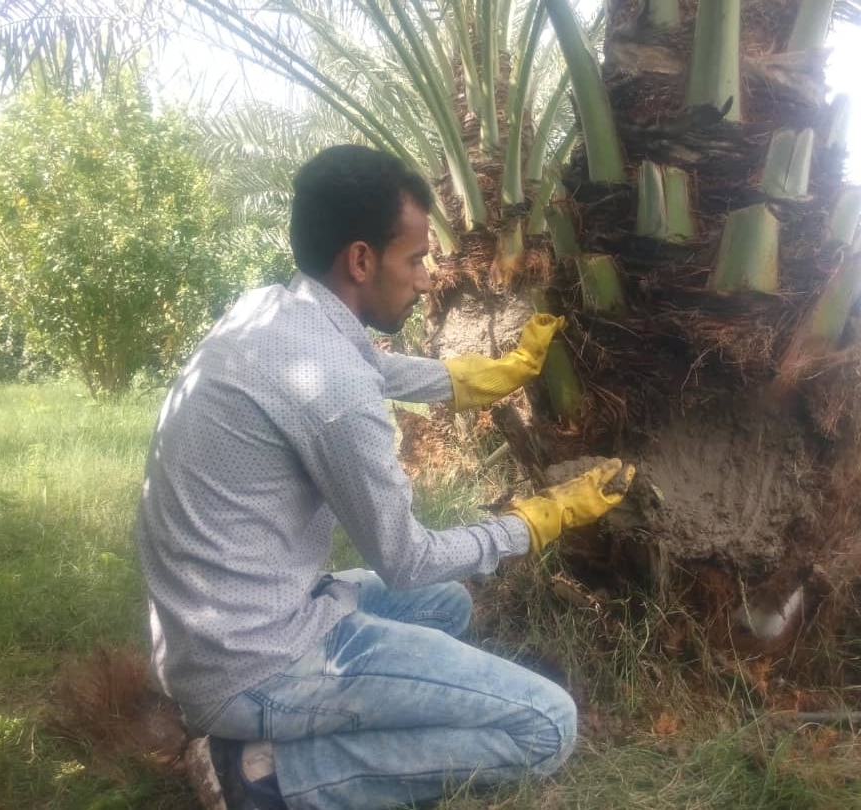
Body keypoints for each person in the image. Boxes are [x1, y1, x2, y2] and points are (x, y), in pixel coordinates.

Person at [135, 144, 634, 810]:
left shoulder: (269, 313)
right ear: (361, 259)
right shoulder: (334, 389)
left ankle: (256, 731)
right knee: (547, 726)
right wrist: (536, 520)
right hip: (256, 665)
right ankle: (261, 776)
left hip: (215, 635)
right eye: (416, 259)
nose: (428, 278)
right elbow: (405, 558)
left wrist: (494, 375)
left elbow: (377, 371)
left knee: (448, 606)